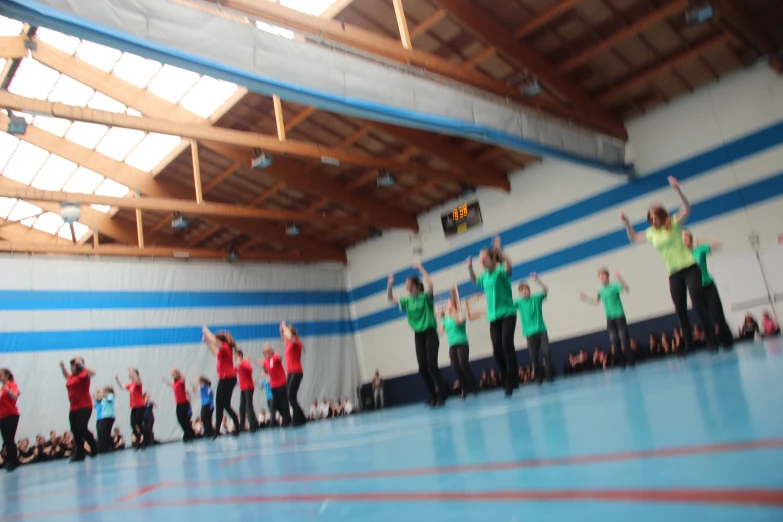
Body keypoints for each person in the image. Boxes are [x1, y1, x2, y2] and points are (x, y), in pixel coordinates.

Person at [621, 176, 716, 355]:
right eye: (650, 218)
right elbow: (634, 238)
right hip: (673, 273)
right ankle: (689, 344)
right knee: (680, 308)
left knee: (697, 302)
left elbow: (687, 208)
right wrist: (627, 223)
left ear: (661, 215)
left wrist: (677, 189)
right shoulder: (651, 233)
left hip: (689, 268)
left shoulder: (672, 223)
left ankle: (710, 339)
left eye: (655, 216)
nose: (653, 220)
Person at [388, 261, 447, 406]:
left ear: (415, 286)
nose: (407, 288)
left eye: (408, 286)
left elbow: (431, 284)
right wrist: (390, 285)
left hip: (430, 332)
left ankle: (443, 394)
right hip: (418, 335)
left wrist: (421, 268)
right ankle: (432, 395)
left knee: (432, 365)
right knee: (422, 368)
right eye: (406, 287)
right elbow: (390, 298)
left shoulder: (425, 297)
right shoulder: (407, 301)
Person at [468, 236, 518, 396]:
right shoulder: (484, 277)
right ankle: (506, 376)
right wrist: (470, 268)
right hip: (493, 317)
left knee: (506, 345)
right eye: (480, 260)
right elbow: (475, 281)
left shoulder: (500, 272)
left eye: (484, 259)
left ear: (491, 259)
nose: (481, 262)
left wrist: (500, 252)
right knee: (497, 350)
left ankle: (511, 380)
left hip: (508, 313)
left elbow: (509, 267)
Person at [682, 231, 733, 348]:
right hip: (696, 290)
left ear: (690, 239)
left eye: (686, 237)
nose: (684, 239)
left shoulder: (699, 250)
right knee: (704, 318)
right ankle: (712, 343)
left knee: (717, 315)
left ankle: (726, 339)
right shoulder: (682, 258)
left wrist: (703, 239)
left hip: (708, 286)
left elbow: (719, 244)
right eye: (682, 238)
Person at [580, 269, 634, 367]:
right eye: (600, 276)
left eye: (604, 276)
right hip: (609, 318)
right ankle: (622, 362)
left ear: (607, 277)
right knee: (614, 340)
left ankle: (630, 361)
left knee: (624, 338)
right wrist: (585, 298)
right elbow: (596, 302)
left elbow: (627, 289)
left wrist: (621, 280)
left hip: (619, 315)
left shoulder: (614, 285)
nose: (602, 278)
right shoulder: (600, 290)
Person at [202, 325, 241, 439]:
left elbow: (215, 341)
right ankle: (217, 431)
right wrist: (207, 343)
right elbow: (215, 351)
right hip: (223, 379)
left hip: (228, 378)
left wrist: (206, 331)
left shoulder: (225, 347)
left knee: (225, 403)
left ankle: (237, 425)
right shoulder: (222, 350)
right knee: (219, 404)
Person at [515, 273, 552, 383]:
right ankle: (538, 377)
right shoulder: (518, 302)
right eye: (522, 290)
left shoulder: (536, 298)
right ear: (520, 293)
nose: (525, 291)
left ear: (529, 290)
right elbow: (507, 304)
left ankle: (549, 376)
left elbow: (546, 290)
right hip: (529, 333)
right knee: (534, 357)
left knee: (547, 352)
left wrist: (538, 281)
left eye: (526, 289)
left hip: (541, 330)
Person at [438, 296, 478, 399]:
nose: (448, 306)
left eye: (450, 304)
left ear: (455, 306)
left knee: (463, 364)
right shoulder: (444, 320)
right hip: (452, 345)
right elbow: (440, 332)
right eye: (447, 305)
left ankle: (474, 385)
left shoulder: (460, 315)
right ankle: (464, 387)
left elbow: (458, 322)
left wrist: (454, 313)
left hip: (462, 343)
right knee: (455, 367)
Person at [60, 358, 98, 462]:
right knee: (75, 430)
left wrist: (81, 365)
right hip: (73, 408)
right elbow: (66, 376)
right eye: (71, 365)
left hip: (84, 406)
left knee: (81, 428)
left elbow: (93, 373)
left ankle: (94, 447)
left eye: (74, 365)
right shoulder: (72, 377)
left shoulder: (83, 375)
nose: (72, 367)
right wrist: (63, 368)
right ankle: (80, 453)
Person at [256, 345, 291, 427]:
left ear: (270, 351)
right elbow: (262, 364)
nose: (266, 354)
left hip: (281, 383)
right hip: (273, 384)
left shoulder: (275, 357)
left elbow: (279, 356)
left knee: (284, 402)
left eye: (267, 352)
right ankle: (285, 416)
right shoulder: (266, 361)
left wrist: (275, 352)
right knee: (276, 403)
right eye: (264, 352)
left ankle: (287, 420)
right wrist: (254, 360)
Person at [280, 322, 307, 426]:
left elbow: (290, 336)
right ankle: (301, 417)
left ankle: (298, 419)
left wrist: (285, 327)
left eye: (286, 333)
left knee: (291, 396)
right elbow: (284, 338)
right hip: (291, 372)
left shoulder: (296, 342)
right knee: (290, 396)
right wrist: (281, 331)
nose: (285, 335)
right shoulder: (287, 344)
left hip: (297, 371)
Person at [115, 367, 147, 449]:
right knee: (133, 424)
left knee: (139, 423)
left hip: (140, 405)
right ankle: (139, 438)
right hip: (134, 407)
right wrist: (117, 380)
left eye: (130, 374)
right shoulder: (131, 385)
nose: (129, 375)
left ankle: (144, 440)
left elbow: (138, 379)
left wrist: (132, 370)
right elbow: (122, 387)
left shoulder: (138, 383)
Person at [162, 368, 196, 442]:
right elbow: (171, 385)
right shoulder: (174, 383)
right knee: (180, 420)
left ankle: (189, 434)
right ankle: (188, 433)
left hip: (184, 403)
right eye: (172, 374)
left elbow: (184, 378)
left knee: (184, 420)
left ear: (177, 374)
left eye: (173, 373)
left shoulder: (181, 380)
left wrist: (179, 371)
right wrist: (165, 380)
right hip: (178, 404)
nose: (172, 375)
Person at [0, 368, 20, 472]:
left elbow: (15, 396)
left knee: (9, 438)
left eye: (1, 374)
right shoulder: (1, 389)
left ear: (7, 376)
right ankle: (10, 460)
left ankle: (14, 461)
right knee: (6, 440)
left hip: (11, 415)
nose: (0, 377)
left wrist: (8, 391)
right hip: (2, 416)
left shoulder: (11, 385)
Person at [234, 350, 259, 433]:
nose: (235, 357)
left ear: (240, 355)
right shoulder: (238, 365)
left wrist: (241, 363)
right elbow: (236, 372)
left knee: (249, 405)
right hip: (243, 388)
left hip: (248, 387)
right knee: (242, 407)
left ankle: (253, 425)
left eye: (236, 355)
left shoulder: (244, 362)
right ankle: (242, 425)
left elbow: (250, 369)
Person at [98, 387, 115, 453]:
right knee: (104, 432)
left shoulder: (110, 395)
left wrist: (102, 393)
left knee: (105, 432)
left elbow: (110, 399)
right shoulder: (104, 398)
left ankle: (109, 447)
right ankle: (108, 446)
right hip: (104, 416)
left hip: (109, 416)